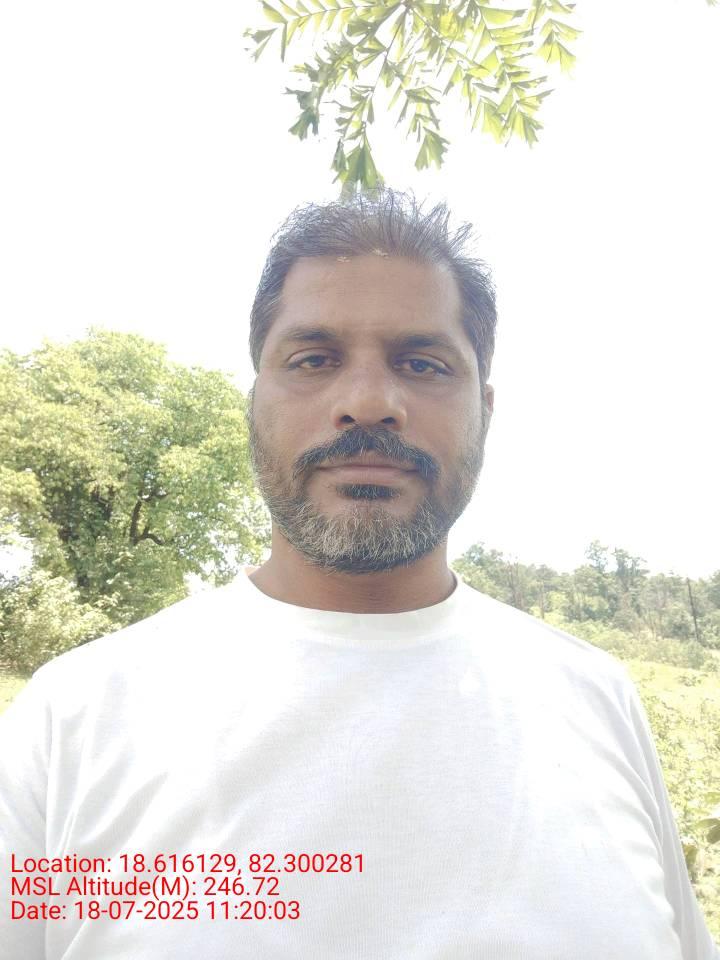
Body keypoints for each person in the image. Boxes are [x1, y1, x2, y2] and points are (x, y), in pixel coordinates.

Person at [1, 188, 717, 960]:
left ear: (485, 409)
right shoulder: (72, 721)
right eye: (313, 360)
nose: (370, 403)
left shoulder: (598, 698)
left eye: (422, 363)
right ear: (255, 402)